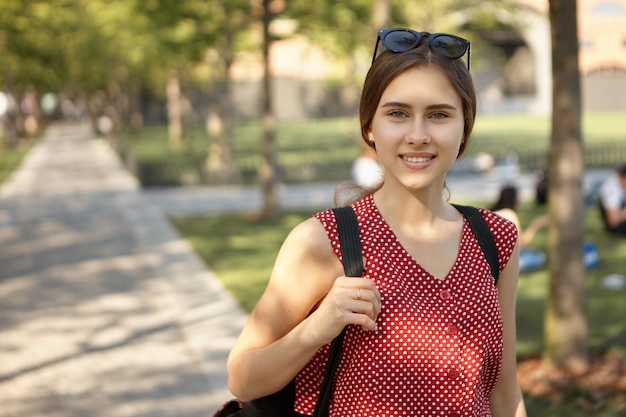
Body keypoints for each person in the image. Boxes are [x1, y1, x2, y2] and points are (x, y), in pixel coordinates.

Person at [228, 28, 527, 417]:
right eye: (398, 113)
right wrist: (318, 327)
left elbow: (504, 393)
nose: (418, 135)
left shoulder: (495, 239)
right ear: (369, 126)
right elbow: (242, 378)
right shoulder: (324, 241)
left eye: (438, 114)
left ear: (464, 127)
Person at [490, 185, 549, 271]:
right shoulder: (510, 214)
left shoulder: (492, 213)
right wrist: (536, 225)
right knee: (540, 257)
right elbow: (520, 245)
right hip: (504, 260)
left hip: (490, 258)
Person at [598, 164, 626, 235]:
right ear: (622, 177)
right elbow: (613, 221)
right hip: (617, 227)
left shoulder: (620, 184)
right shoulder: (611, 189)